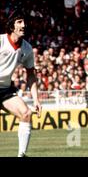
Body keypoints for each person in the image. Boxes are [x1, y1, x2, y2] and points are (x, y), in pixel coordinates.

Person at [0, 10, 42, 157]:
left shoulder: (27, 48)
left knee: (26, 113)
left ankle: (21, 155)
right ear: (11, 26)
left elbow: (31, 75)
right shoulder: (1, 41)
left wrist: (36, 99)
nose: (24, 25)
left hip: (4, 90)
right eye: (19, 22)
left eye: (24, 22)